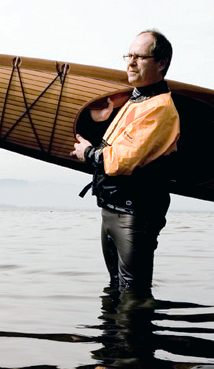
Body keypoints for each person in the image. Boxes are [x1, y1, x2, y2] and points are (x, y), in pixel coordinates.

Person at [71, 30, 181, 296]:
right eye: (128, 55)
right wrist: (101, 115)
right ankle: (109, 339)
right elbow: (113, 144)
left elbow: (121, 161)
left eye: (139, 57)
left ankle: (136, 338)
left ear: (161, 63)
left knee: (134, 294)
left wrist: (87, 154)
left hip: (135, 214)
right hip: (111, 209)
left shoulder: (160, 107)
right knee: (114, 288)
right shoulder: (135, 101)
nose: (130, 63)